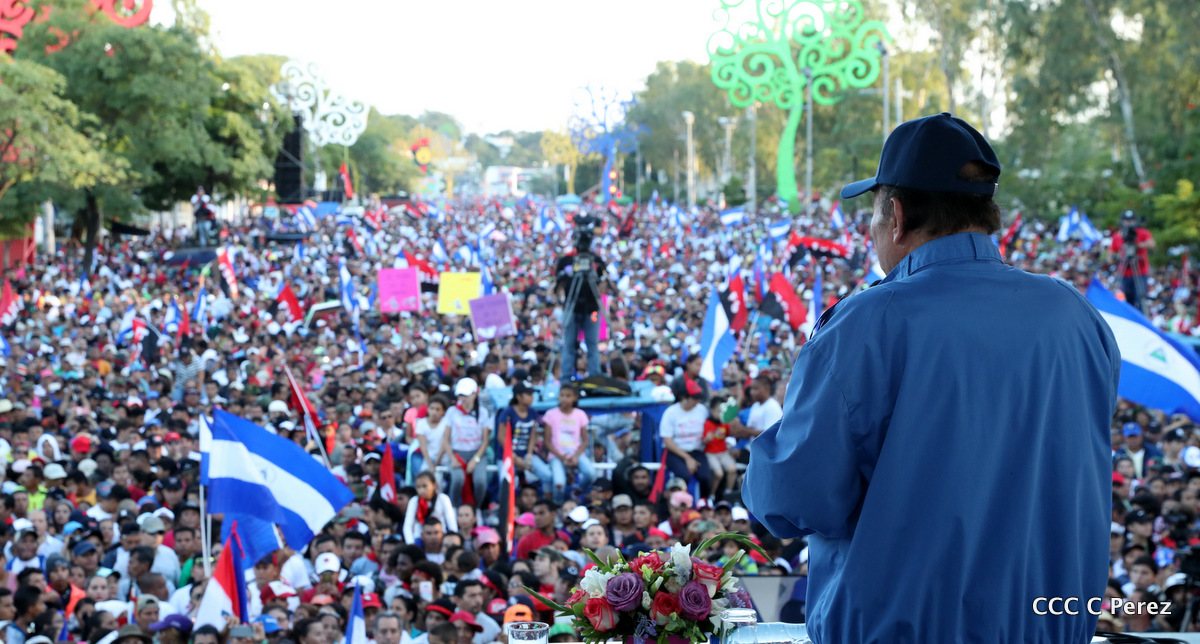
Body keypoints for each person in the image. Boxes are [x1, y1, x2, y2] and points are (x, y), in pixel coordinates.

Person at [744, 113, 1122, 643]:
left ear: (896, 217)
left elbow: (794, 500)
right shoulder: (1075, 313)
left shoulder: (867, 323)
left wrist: (764, 455)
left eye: (873, 215)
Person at [554, 215, 607, 380]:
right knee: (568, 345)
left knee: (593, 345)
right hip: (571, 308)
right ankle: (566, 379)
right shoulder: (566, 261)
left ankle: (595, 378)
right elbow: (558, 286)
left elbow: (604, 285)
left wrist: (596, 274)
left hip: (592, 310)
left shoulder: (596, 260)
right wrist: (569, 275)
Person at [658, 380, 713, 499]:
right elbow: (667, 441)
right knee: (683, 475)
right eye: (694, 399)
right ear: (684, 397)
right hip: (675, 451)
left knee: (706, 477)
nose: (697, 402)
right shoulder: (671, 413)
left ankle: (704, 502)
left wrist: (708, 437)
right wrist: (688, 458)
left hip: (697, 450)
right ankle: (679, 503)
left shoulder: (702, 410)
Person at [540, 384, 595, 503]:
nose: (564, 398)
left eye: (568, 396)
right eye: (562, 395)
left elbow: (585, 441)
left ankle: (577, 491)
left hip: (576, 454)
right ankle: (558, 505)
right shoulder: (550, 414)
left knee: (590, 473)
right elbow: (547, 441)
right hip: (556, 455)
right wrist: (561, 457)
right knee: (559, 483)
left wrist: (575, 456)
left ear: (575, 398)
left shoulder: (580, 414)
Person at [442, 379, 491, 509]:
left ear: (475, 394)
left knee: (480, 482)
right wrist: (452, 458)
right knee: (458, 479)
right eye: (460, 395)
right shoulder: (452, 412)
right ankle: (455, 508)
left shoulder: (483, 412)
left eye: (466, 395)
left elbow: (485, 440)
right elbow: (445, 439)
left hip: (477, 453)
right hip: (457, 453)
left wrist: (475, 459)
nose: (463, 399)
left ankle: (475, 509)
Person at [1108, 209, 1155, 314]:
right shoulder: (1117, 235)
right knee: (1128, 300)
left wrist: (1139, 245)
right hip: (1124, 273)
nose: (1129, 223)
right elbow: (1110, 256)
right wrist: (1117, 257)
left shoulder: (1141, 232)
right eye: (1126, 220)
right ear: (1122, 221)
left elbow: (1152, 243)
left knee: (1141, 298)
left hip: (1140, 272)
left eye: (1131, 220)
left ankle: (1142, 318)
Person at [402, 472, 456, 545]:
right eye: (418, 487)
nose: (421, 490)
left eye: (424, 486)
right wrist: (411, 544)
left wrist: (454, 539)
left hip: (440, 536)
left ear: (434, 485)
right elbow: (407, 526)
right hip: (420, 537)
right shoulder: (414, 501)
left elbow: (451, 521)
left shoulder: (443, 498)